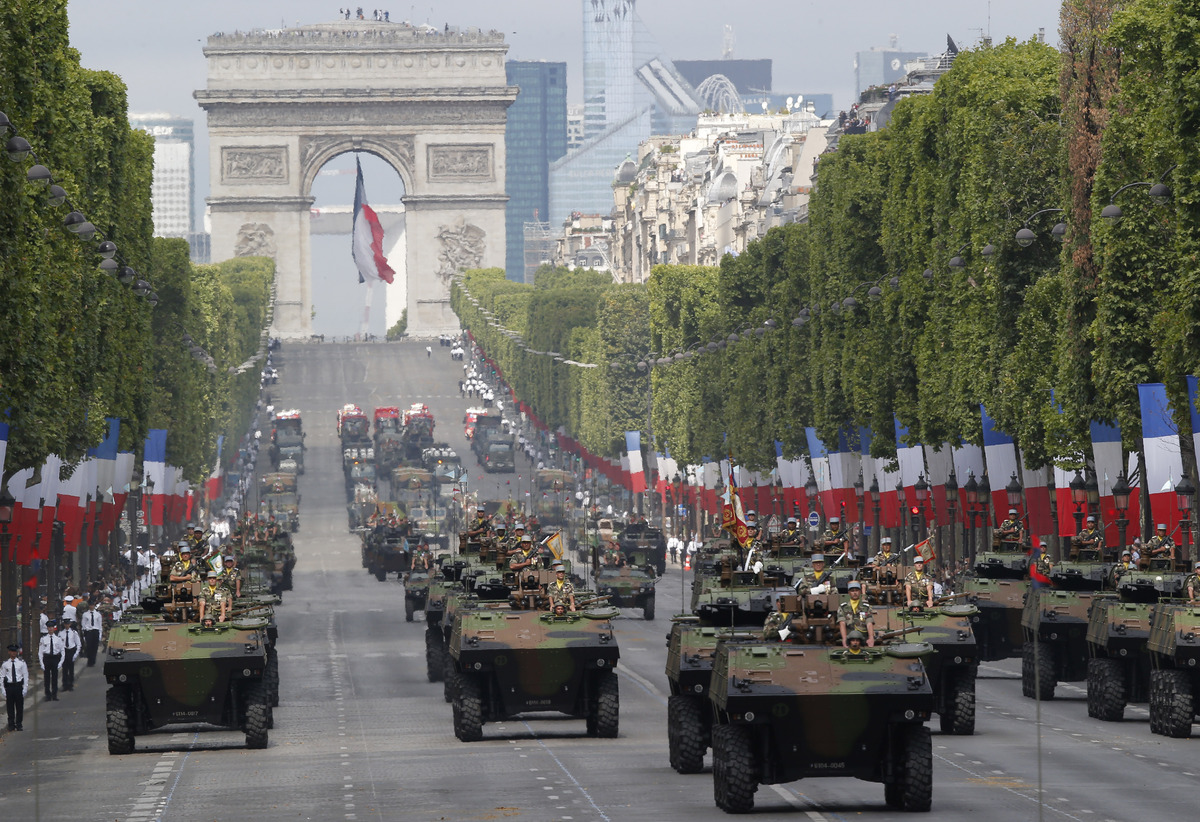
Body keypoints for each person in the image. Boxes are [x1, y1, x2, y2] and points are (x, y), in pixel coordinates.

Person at [838, 580, 875, 647]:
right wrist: (844, 638)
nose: (855, 593)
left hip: (863, 638)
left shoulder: (865, 607)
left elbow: (869, 623)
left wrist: (871, 638)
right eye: (852, 591)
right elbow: (842, 623)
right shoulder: (843, 607)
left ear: (860, 592)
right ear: (849, 592)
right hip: (849, 638)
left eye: (857, 590)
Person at [3, 644, 28, 731]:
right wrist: (3, 689)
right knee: (10, 707)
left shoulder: (21, 663)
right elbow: (1, 677)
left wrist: (25, 688)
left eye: (15, 652)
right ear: (9, 652)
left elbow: (25, 676)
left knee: (19, 706)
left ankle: (19, 723)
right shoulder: (5, 664)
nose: (13, 653)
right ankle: (11, 724)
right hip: (9, 687)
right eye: (12, 651)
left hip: (18, 686)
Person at [39, 620, 64, 701]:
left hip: (55, 658)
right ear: (47, 628)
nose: (50, 629)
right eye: (49, 627)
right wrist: (41, 663)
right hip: (47, 658)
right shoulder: (43, 639)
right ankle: (48, 695)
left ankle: (54, 694)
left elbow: (62, 651)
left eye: (52, 627)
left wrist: (60, 662)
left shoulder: (58, 639)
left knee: (55, 677)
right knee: (47, 678)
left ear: (54, 628)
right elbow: (40, 652)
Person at [60, 621, 81, 692]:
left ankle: (71, 684)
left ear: (70, 624)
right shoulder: (61, 633)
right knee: (64, 670)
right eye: (66, 624)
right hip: (64, 651)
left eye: (68, 624)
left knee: (71, 669)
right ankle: (65, 685)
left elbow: (78, 644)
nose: (67, 625)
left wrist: (76, 654)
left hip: (71, 651)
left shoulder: (74, 632)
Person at [81, 602, 103, 666]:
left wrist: (100, 635)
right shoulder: (85, 614)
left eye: (92, 605)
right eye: (90, 605)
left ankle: (93, 660)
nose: (91, 606)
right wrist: (84, 634)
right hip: (89, 631)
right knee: (89, 646)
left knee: (95, 647)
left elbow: (99, 625)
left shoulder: (98, 614)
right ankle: (89, 660)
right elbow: (83, 624)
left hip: (95, 631)